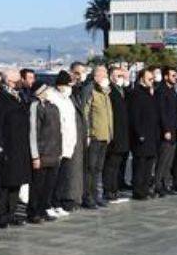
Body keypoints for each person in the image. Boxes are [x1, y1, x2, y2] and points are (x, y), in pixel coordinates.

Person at [0, 70, 29, 227]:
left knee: (17, 182)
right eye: (16, 80)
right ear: (8, 82)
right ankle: (0, 215)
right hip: (8, 145)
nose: (19, 83)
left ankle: (11, 213)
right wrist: (0, 146)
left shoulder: (19, 96)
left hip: (20, 145)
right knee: (5, 183)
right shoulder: (0, 98)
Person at [27, 84, 62, 223]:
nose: (50, 91)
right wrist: (35, 155)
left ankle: (43, 209)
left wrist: (59, 151)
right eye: (47, 89)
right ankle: (33, 212)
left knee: (49, 185)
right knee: (38, 185)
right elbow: (33, 132)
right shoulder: (35, 106)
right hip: (42, 153)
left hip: (54, 152)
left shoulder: (53, 106)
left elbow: (58, 131)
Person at [52, 72, 83, 214]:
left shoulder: (68, 100)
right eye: (68, 85)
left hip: (68, 144)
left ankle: (59, 202)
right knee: (54, 177)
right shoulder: (54, 99)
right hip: (57, 144)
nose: (70, 88)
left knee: (63, 177)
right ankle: (52, 203)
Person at [127, 67, 160, 200]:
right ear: (142, 79)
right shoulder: (136, 94)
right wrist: (139, 133)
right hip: (141, 136)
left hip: (152, 135)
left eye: (152, 79)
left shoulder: (150, 94)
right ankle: (138, 191)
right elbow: (134, 116)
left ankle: (145, 189)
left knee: (148, 164)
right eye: (149, 79)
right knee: (140, 164)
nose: (152, 81)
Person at [84, 66, 113, 206]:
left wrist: (110, 133)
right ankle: (88, 196)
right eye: (104, 74)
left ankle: (97, 195)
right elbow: (86, 113)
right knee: (91, 168)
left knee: (99, 168)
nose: (106, 77)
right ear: (96, 76)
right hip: (94, 135)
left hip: (105, 135)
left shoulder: (105, 92)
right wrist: (88, 133)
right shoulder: (91, 90)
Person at [102, 66, 131, 203]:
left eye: (122, 75)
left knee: (118, 163)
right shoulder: (110, 91)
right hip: (114, 133)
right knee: (111, 165)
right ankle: (109, 191)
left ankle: (115, 189)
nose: (121, 78)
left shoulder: (121, 90)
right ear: (111, 77)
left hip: (123, 133)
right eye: (118, 75)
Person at [154, 67, 177, 196]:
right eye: (173, 75)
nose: (175, 77)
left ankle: (166, 184)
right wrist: (166, 129)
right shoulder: (161, 91)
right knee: (163, 159)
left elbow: (176, 112)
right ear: (166, 77)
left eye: (176, 75)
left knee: (169, 160)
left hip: (174, 130)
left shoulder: (173, 91)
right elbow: (161, 112)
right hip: (166, 131)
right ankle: (158, 185)